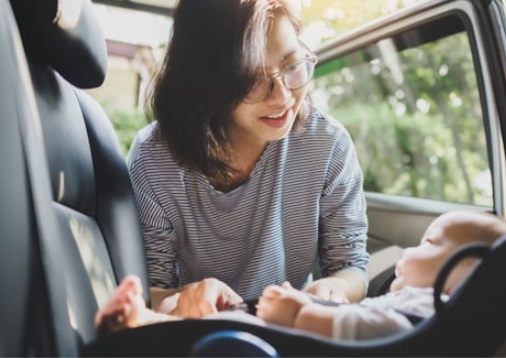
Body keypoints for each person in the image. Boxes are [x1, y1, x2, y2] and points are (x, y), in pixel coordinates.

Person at [126, 0, 369, 318]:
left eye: (292, 65)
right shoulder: (153, 160)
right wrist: (188, 297)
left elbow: (351, 266)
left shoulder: (327, 145)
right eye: (253, 79)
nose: (282, 96)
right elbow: (151, 290)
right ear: (206, 82)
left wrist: (328, 291)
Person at [255, 211, 506, 340]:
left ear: (469, 277)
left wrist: (299, 315)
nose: (408, 250)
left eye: (428, 243)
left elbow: (383, 330)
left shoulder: (431, 307)